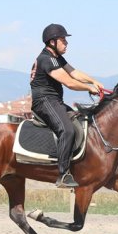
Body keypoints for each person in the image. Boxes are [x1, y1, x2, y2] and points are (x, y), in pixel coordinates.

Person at [30, 23, 104, 188]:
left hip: (55, 101)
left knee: (80, 121)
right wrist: (88, 88)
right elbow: (70, 82)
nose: (66, 43)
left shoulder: (56, 58)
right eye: (63, 39)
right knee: (67, 130)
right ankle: (63, 175)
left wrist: (94, 81)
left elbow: (74, 73)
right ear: (52, 42)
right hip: (44, 102)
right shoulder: (46, 59)